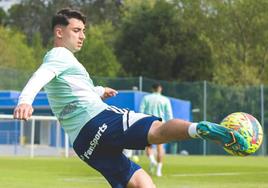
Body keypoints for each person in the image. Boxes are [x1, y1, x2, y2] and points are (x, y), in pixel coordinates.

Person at [13, 8, 249, 188]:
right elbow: (39, 77)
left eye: (84, 31)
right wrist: (25, 100)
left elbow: (71, 93)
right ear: (59, 32)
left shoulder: (60, 62)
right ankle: (201, 129)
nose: (82, 36)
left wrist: (99, 91)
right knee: (157, 130)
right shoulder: (59, 55)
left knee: (140, 183)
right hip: (99, 119)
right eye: (77, 30)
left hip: (84, 144)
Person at [140, 83, 173, 177]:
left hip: (148, 123)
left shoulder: (146, 98)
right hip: (161, 124)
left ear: (152, 89)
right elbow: (169, 114)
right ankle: (158, 171)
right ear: (160, 88)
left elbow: (141, 111)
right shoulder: (165, 99)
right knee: (160, 148)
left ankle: (152, 160)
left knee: (148, 146)